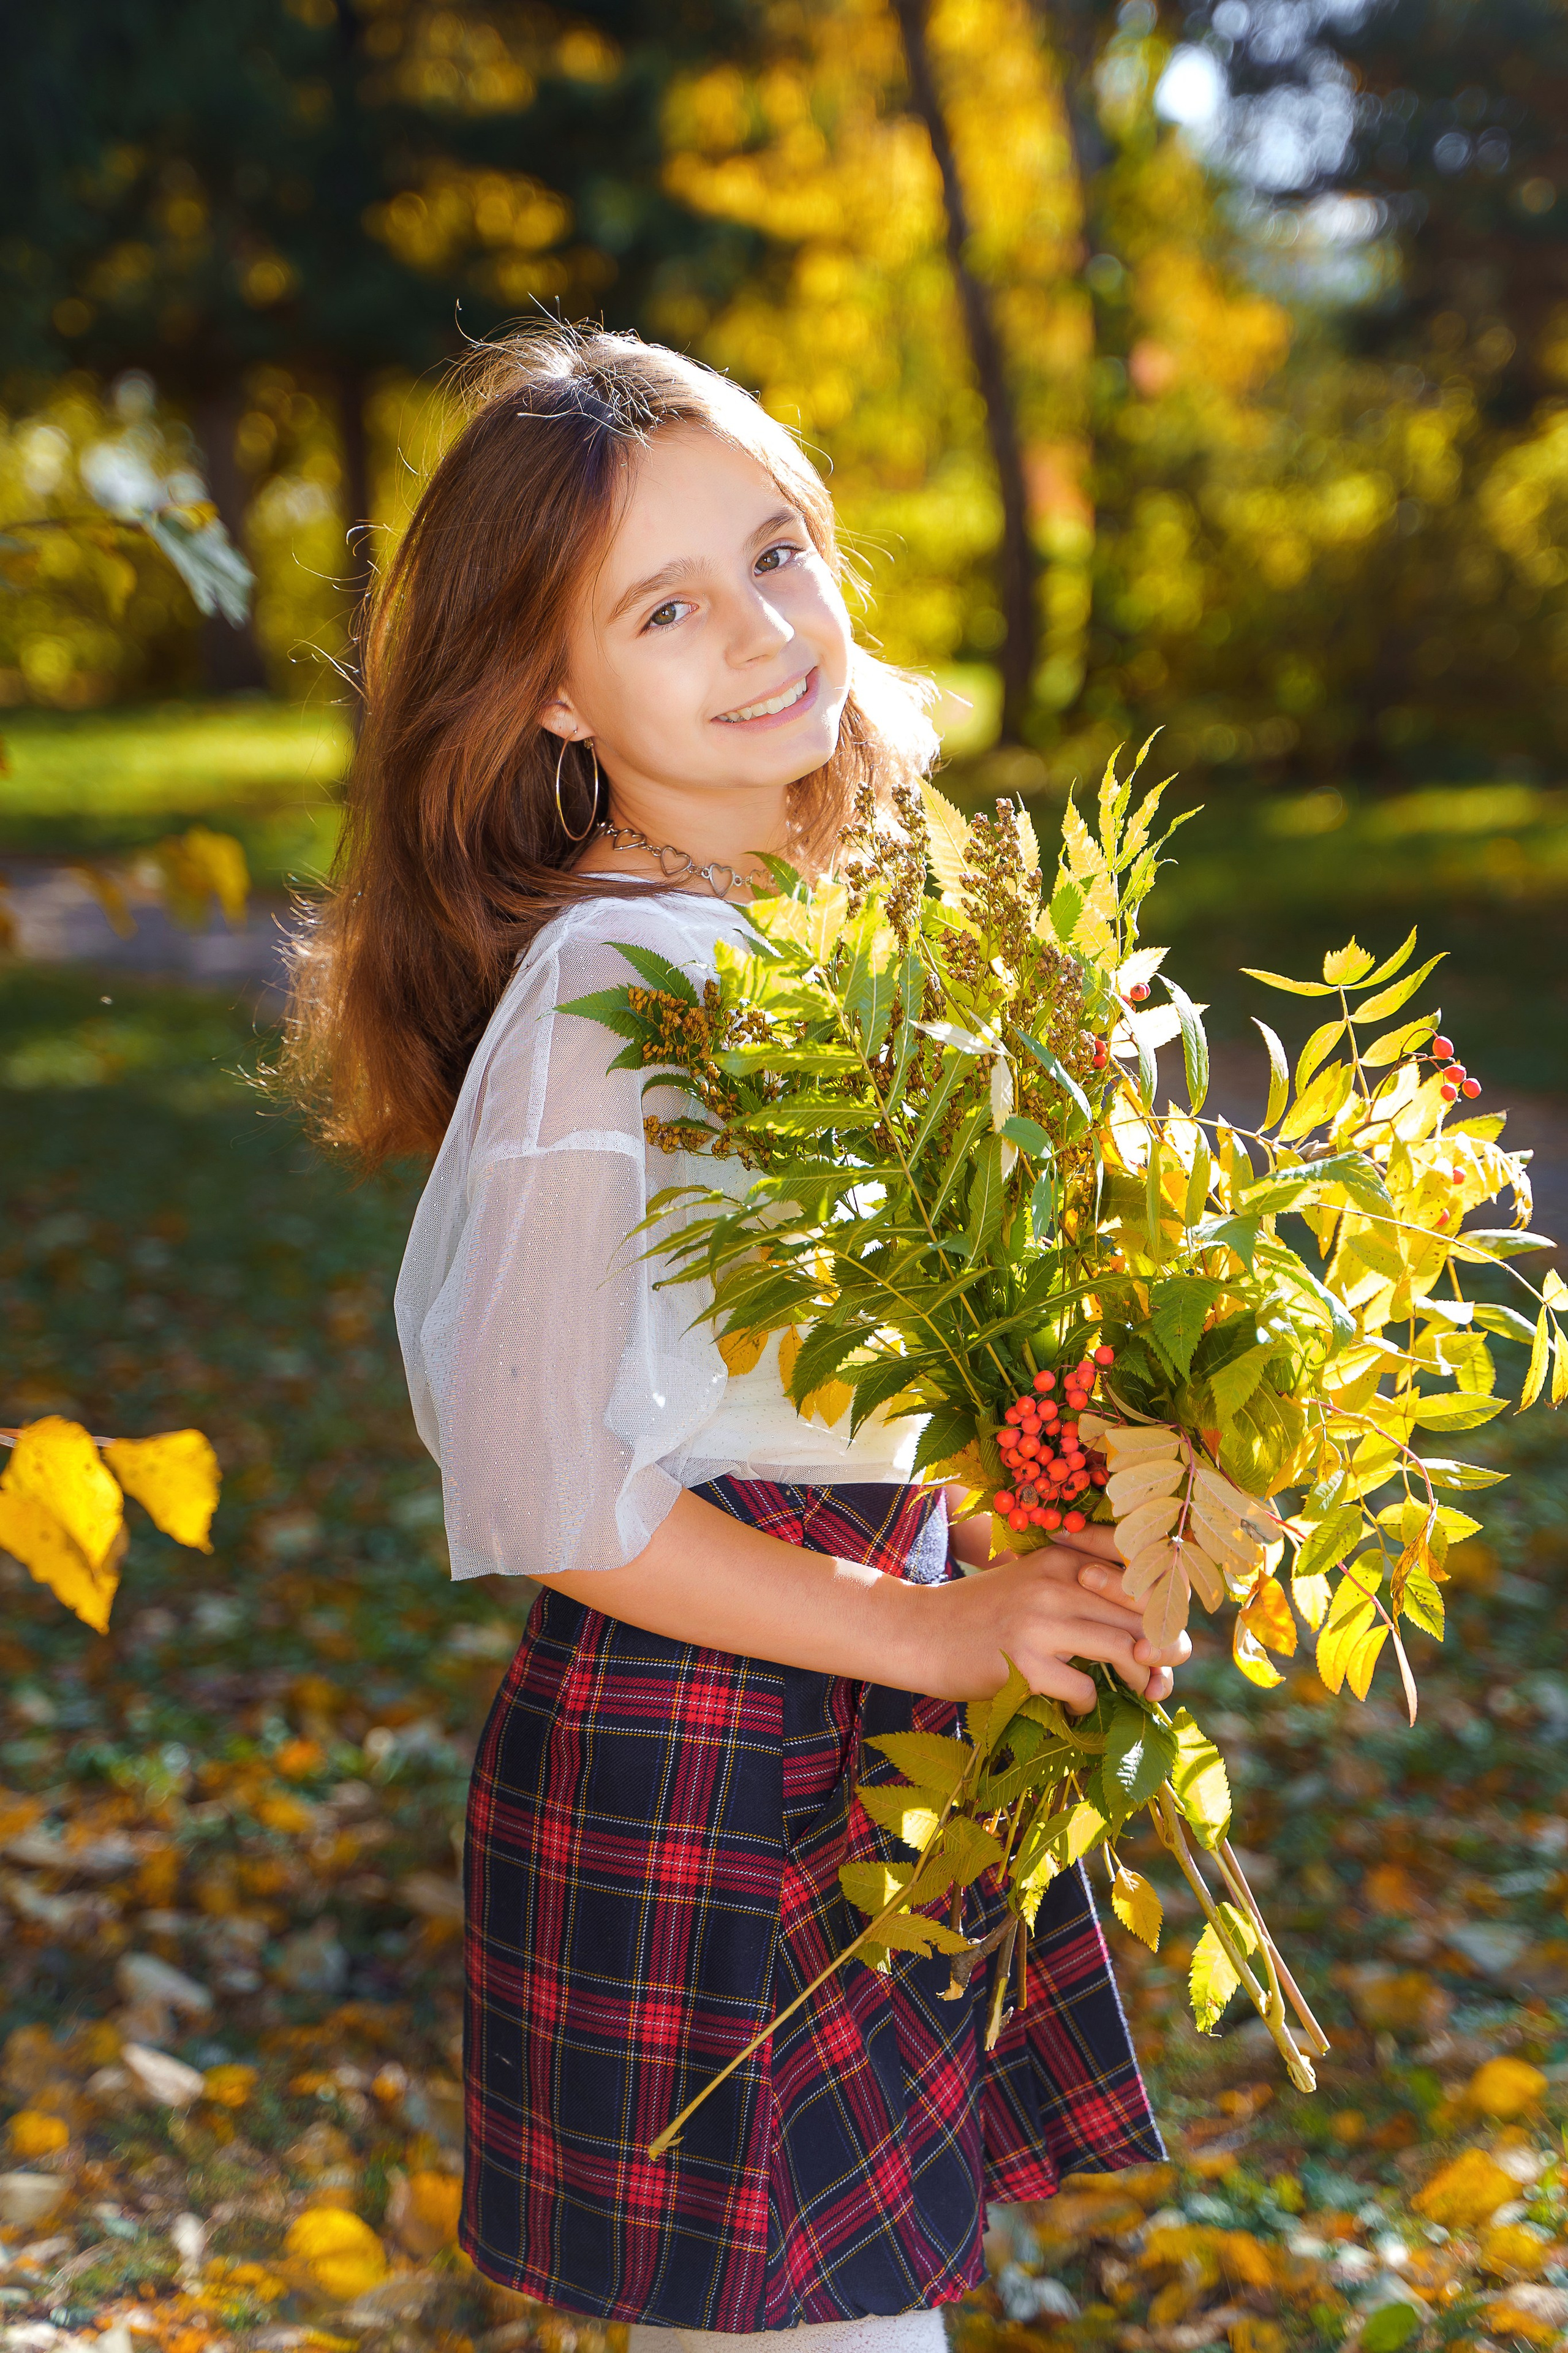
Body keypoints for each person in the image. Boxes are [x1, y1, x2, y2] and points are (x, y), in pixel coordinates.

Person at [284, 327, 1180, 2353]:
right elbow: (551, 1497)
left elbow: (888, 1373)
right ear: (546, 694)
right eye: (665, 607)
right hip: (712, 1756)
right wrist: (940, 1633)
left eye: (779, 553)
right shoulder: (614, 989)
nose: (765, 629)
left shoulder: (811, 940)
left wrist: (1128, 1509)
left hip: (860, 1729)